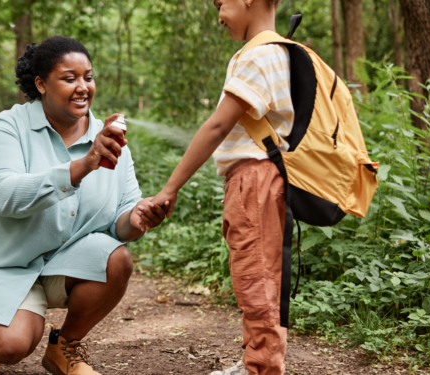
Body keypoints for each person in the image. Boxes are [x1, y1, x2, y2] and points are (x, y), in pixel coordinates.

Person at [0, 36, 167, 375]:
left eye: (89, 77)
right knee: (9, 347)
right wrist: (83, 165)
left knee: (118, 257)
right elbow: (4, 196)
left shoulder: (110, 141)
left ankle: (64, 347)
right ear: (41, 84)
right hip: (5, 263)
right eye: (70, 78)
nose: (83, 87)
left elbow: (120, 222)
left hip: (64, 264)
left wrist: (138, 217)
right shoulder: (9, 126)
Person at [145, 0, 292, 374]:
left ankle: (260, 368)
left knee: (253, 276)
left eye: (220, 3)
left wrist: (170, 188)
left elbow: (216, 126)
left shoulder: (257, 56)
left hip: (254, 179)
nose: (218, 14)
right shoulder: (284, 52)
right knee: (260, 274)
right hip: (269, 176)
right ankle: (257, 362)